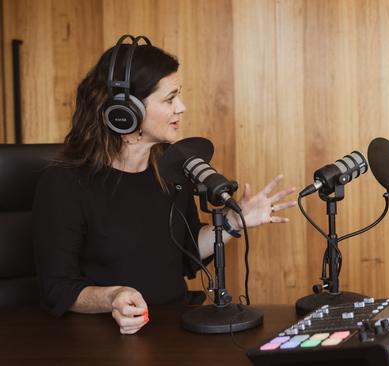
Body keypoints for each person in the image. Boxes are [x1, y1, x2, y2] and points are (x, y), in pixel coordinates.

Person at [32, 35, 296, 334]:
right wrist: (112, 297)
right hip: (104, 335)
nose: (181, 108)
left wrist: (236, 221)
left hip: (175, 326)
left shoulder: (173, 169)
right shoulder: (64, 183)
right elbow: (57, 288)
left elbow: (186, 252)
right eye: (170, 99)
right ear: (125, 111)